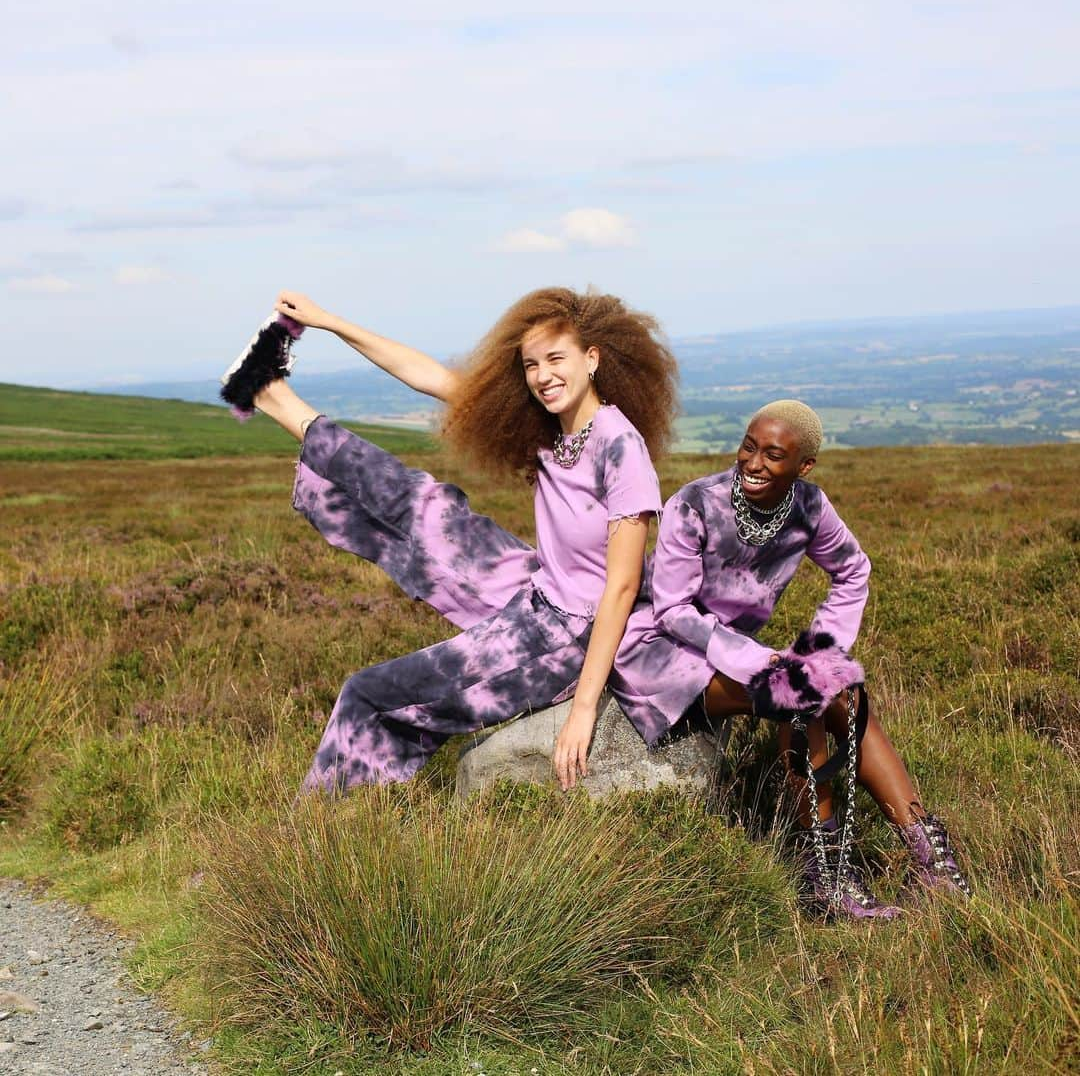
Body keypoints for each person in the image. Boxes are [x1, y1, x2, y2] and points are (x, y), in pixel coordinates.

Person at [221, 287, 690, 794]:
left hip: (567, 635)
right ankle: (268, 390)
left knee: (370, 694)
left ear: (592, 358)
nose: (543, 376)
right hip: (534, 585)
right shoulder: (550, 425)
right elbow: (429, 376)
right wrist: (330, 321)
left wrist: (582, 710)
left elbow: (621, 588)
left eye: (556, 359)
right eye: (532, 365)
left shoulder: (620, 449)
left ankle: (317, 832)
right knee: (419, 506)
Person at [642, 399, 971, 919]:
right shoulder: (695, 504)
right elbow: (672, 611)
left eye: (773, 455)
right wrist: (759, 660)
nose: (753, 463)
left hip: (728, 652)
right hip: (662, 654)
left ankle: (931, 860)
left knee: (838, 688)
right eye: (749, 447)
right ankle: (827, 879)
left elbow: (853, 570)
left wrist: (818, 650)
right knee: (795, 697)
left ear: (804, 466)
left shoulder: (809, 507)